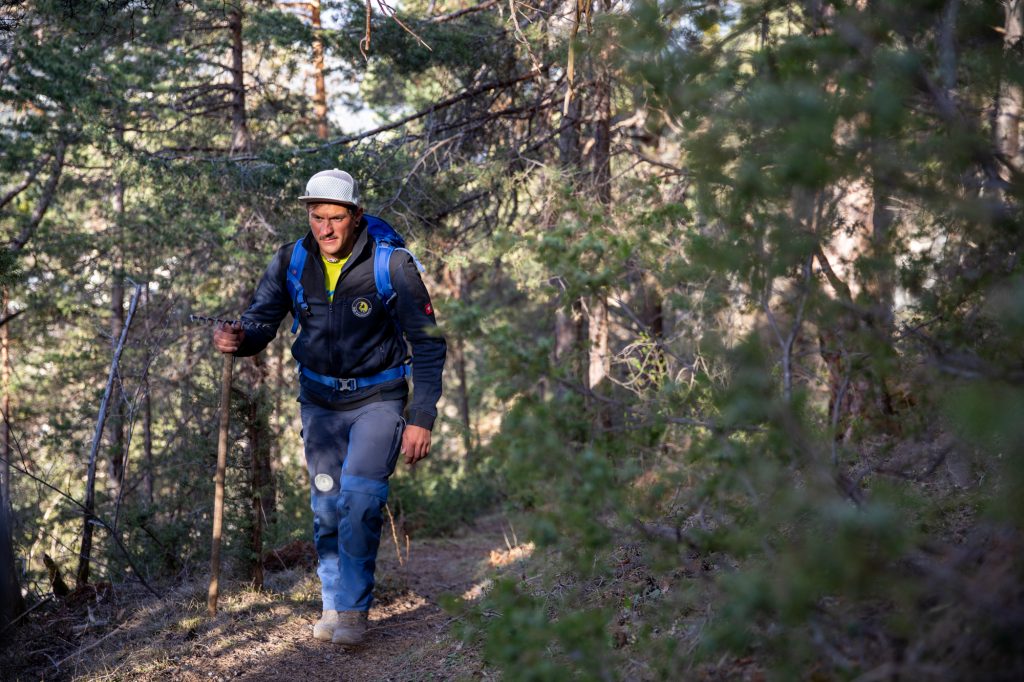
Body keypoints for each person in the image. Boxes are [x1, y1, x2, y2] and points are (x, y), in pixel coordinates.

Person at [212, 169, 446, 646]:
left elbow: (427, 345)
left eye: (336, 218)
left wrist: (421, 417)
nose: (326, 229)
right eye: (317, 217)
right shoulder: (291, 261)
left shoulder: (392, 265)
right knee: (325, 503)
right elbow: (261, 321)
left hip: (378, 399)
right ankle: (333, 601)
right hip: (319, 403)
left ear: (356, 216)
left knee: (359, 499)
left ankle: (354, 612)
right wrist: (239, 339)